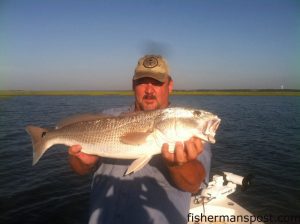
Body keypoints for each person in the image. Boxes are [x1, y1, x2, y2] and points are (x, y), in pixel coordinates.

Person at [68, 55, 211, 224]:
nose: (149, 90)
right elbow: (78, 169)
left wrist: (180, 164)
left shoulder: (187, 130)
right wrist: (83, 162)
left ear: (170, 85)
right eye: (143, 81)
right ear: (133, 85)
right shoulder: (106, 118)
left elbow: (194, 184)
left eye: (157, 82)